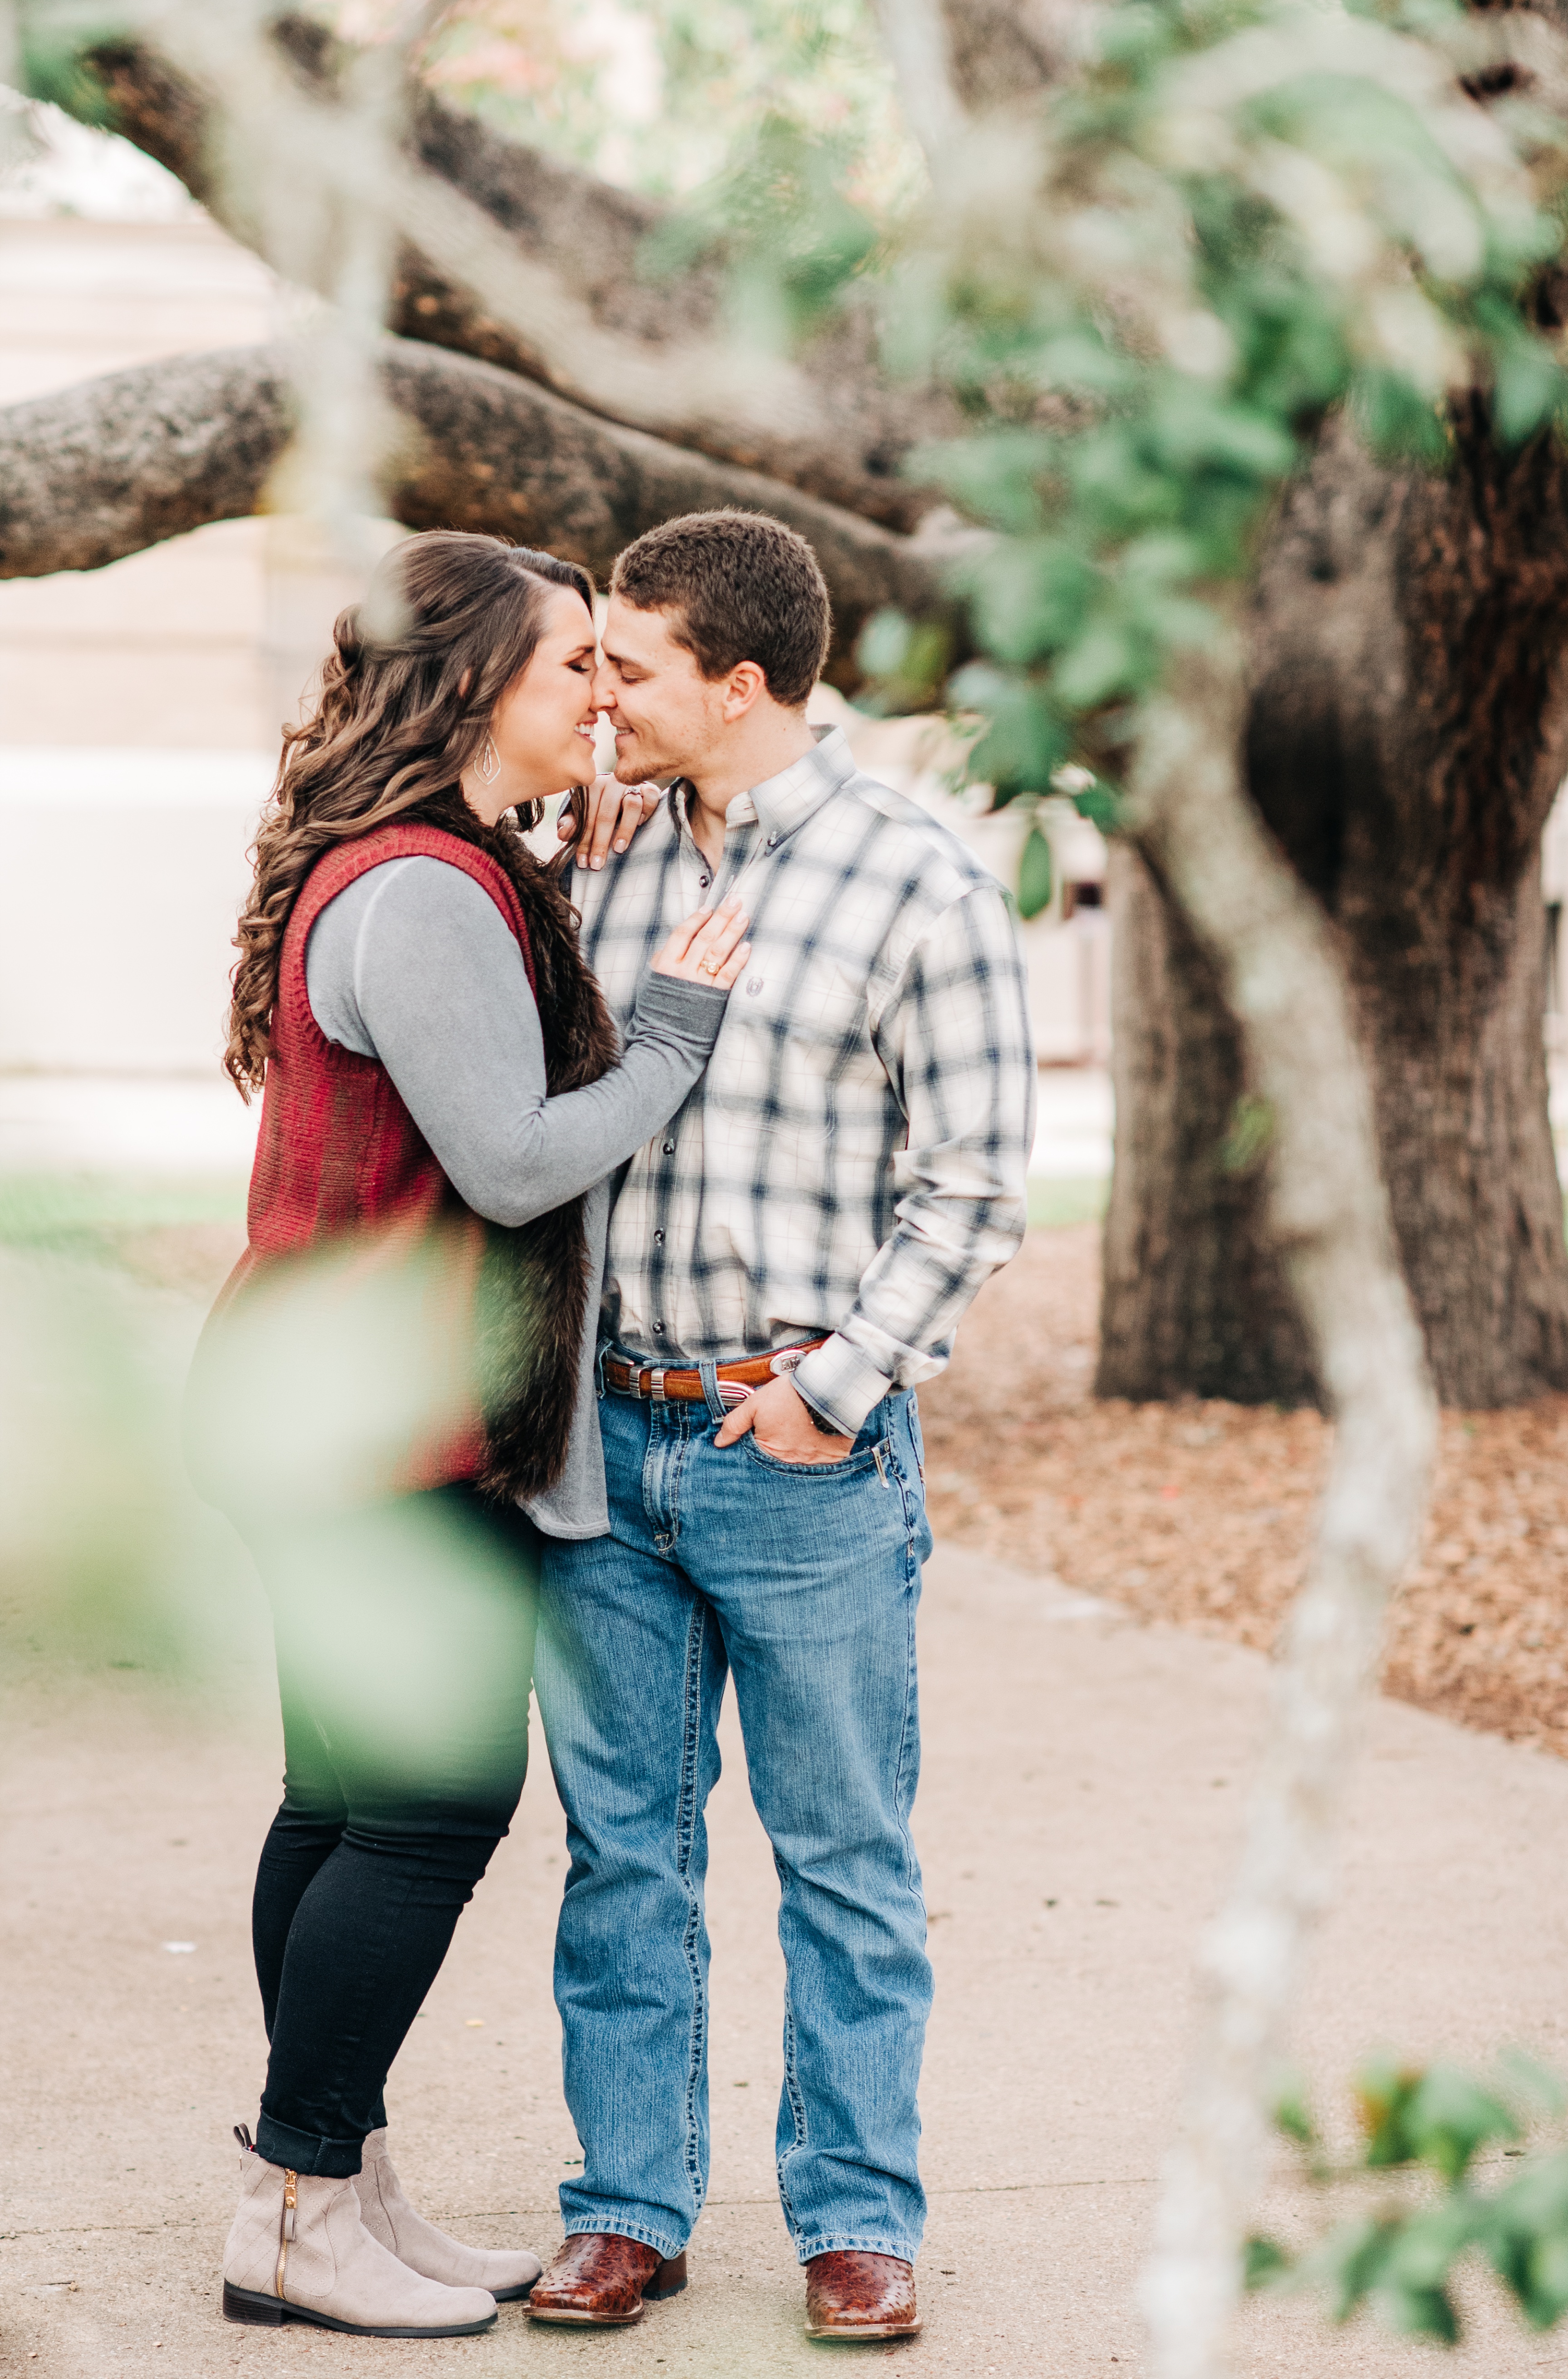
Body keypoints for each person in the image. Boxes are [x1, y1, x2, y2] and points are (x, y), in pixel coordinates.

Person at [185, 529, 751, 2342]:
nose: (604, 691)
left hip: (326, 1401)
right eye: (573, 662)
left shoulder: (440, 870)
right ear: (472, 683)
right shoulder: (422, 886)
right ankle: (294, 2196)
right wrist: (673, 1034)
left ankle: (329, 2182)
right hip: (380, 1428)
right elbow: (511, 1158)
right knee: (430, 1812)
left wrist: (567, 889)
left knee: (344, 1805)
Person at [527, 511, 1036, 2341]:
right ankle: (624, 2211)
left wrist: (830, 1398)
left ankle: (853, 2221)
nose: (595, 698)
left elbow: (973, 1189)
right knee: (622, 1860)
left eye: (628, 668)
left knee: (839, 1858)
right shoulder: (587, 862)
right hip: (606, 1441)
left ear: (735, 686)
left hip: (795, 1451)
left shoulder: (917, 881)